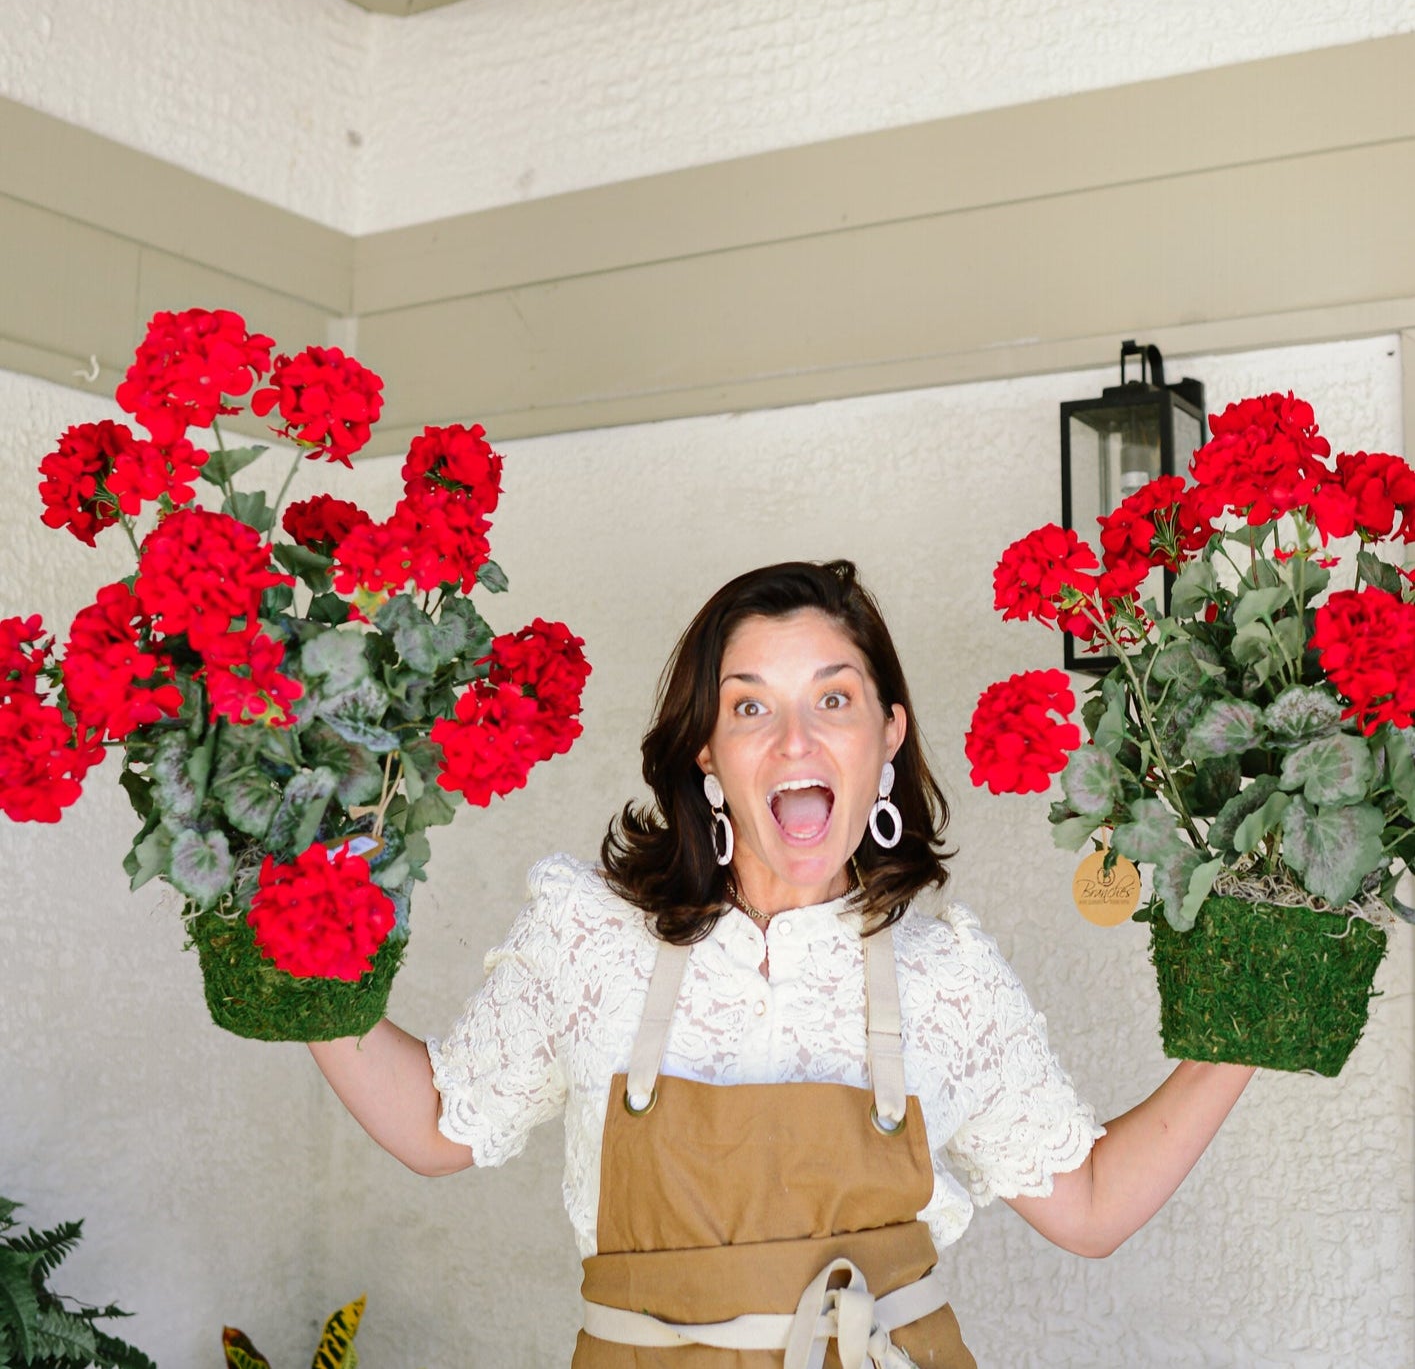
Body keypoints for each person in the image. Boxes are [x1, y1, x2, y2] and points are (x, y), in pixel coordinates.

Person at [311, 560, 1253, 1368]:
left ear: (886, 735)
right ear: (707, 755)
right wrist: (287, 940)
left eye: (831, 699)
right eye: (750, 705)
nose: (794, 740)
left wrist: (1262, 1016)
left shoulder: (945, 975)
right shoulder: (590, 937)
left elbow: (1088, 1203)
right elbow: (437, 1123)